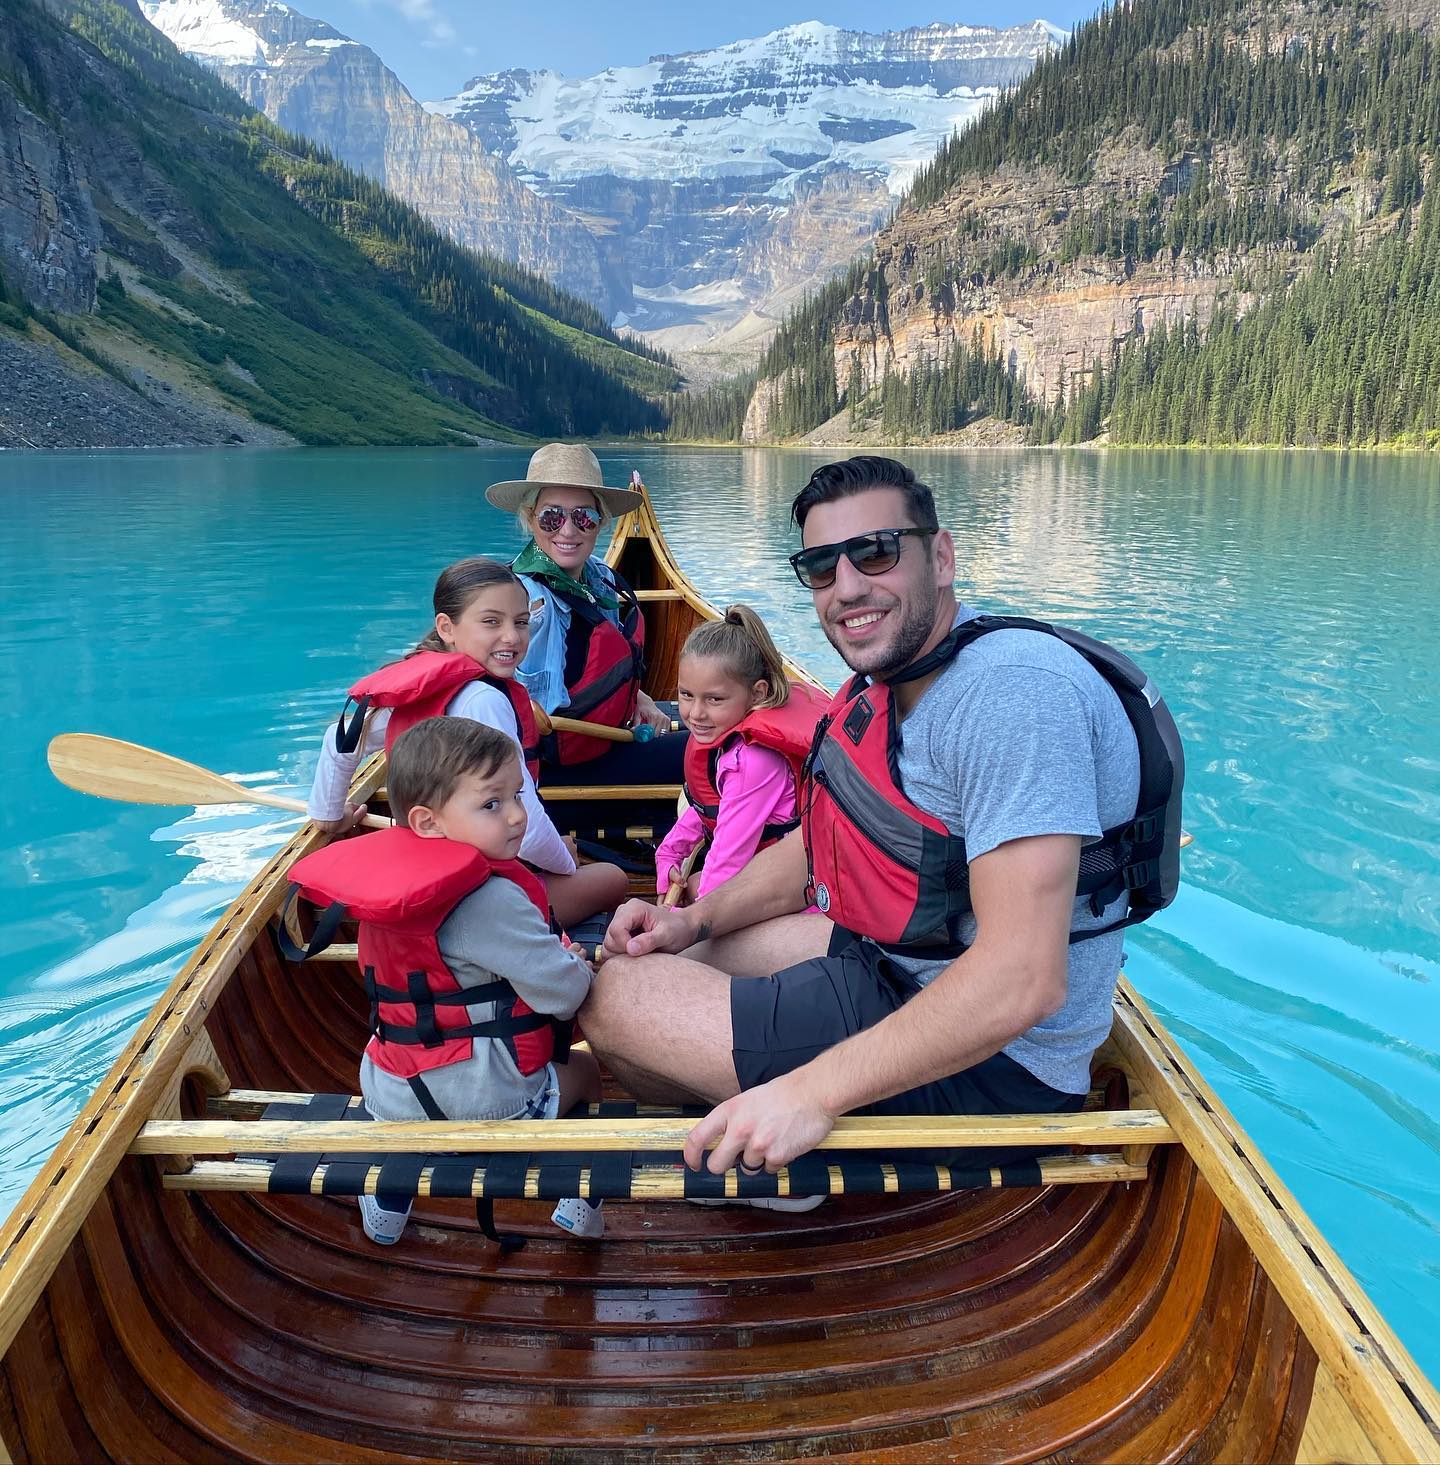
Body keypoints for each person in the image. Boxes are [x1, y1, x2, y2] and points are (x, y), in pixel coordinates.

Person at [585, 455, 1175, 1197]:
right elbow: (823, 838)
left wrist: (812, 1093)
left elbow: (1022, 981)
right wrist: (695, 919)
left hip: (995, 1062)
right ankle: (765, 1101)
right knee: (663, 957)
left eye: (876, 551)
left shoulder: (1014, 700)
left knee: (614, 1001)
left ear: (944, 555)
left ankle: (795, 1139)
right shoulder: (892, 678)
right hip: (896, 960)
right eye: (821, 567)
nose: (848, 586)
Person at [288, 716, 607, 1245]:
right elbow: (566, 993)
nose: (516, 817)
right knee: (590, 1072)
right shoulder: (493, 898)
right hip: (491, 1102)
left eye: (517, 796)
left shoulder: (387, 888)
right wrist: (573, 962)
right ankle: (578, 1202)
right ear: (428, 821)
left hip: (391, 1100)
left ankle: (388, 1207)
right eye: (491, 803)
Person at [306, 556, 627, 928]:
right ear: (447, 627)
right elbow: (527, 824)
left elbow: (339, 739)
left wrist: (330, 816)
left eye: (521, 622)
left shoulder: (428, 688)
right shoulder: (484, 699)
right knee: (610, 878)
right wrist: (566, 863)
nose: (512, 636)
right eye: (492, 621)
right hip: (476, 888)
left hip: (423, 874)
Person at [485, 444, 688, 785]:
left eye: (584, 517)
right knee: (713, 749)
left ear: (601, 522)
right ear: (531, 518)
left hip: (600, 743)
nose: (567, 531)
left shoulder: (601, 578)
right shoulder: (521, 603)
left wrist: (639, 698)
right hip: (545, 776)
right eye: (552, 516)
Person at [656, 605, 828, 904]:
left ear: (758, 694)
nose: (696, 713)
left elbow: (725, 865)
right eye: (686, 695)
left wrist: (682, 927)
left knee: (697, 890)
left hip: (797, 892)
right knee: (693, 884)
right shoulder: (724, 736)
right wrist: (670, 852)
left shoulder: (754, 761)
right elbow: (709, 809)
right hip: (759, 868)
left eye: (715, 699)